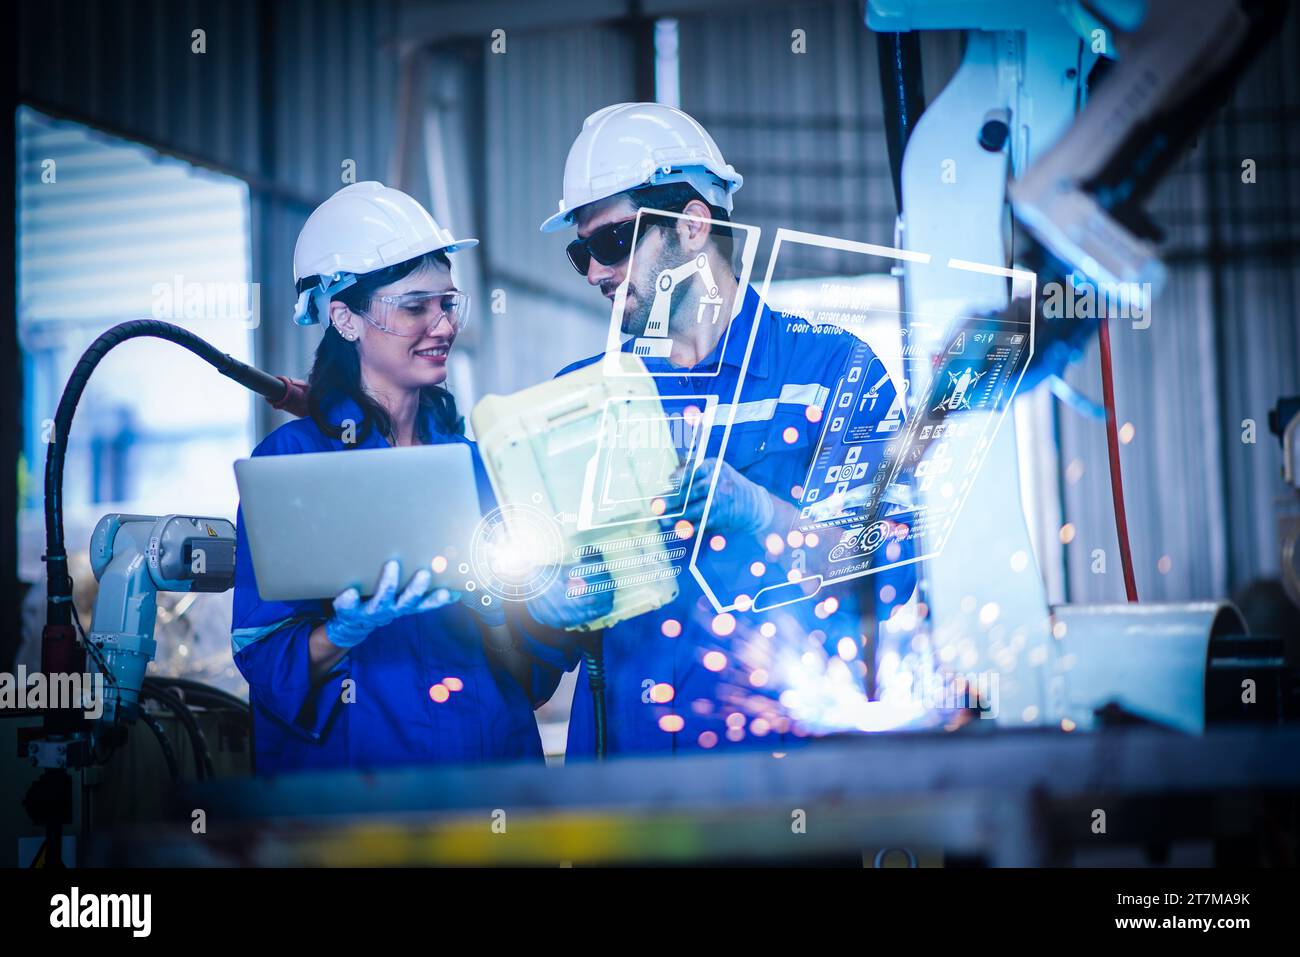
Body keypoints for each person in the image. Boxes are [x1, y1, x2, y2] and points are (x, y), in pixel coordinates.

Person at [537, 103, 917, 758]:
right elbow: (541, 647)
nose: (597, 272)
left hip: (790, 794)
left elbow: (890, 569)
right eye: (582, 253)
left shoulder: (832, 371)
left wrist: (764, 514)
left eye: (611, 243)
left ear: (691, 225)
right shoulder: (583, 398)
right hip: (626, 800)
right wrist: (552, 601)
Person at [233, 182, 562, 773]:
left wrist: (501, 610)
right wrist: (345, 630)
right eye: (415, 307)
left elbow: (536, 668)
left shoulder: (482, 465)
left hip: (489, 772)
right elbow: (263, 656)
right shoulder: (291, 465)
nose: (442, 325)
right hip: (357, 789)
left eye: (447, 303)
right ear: (345, 319)